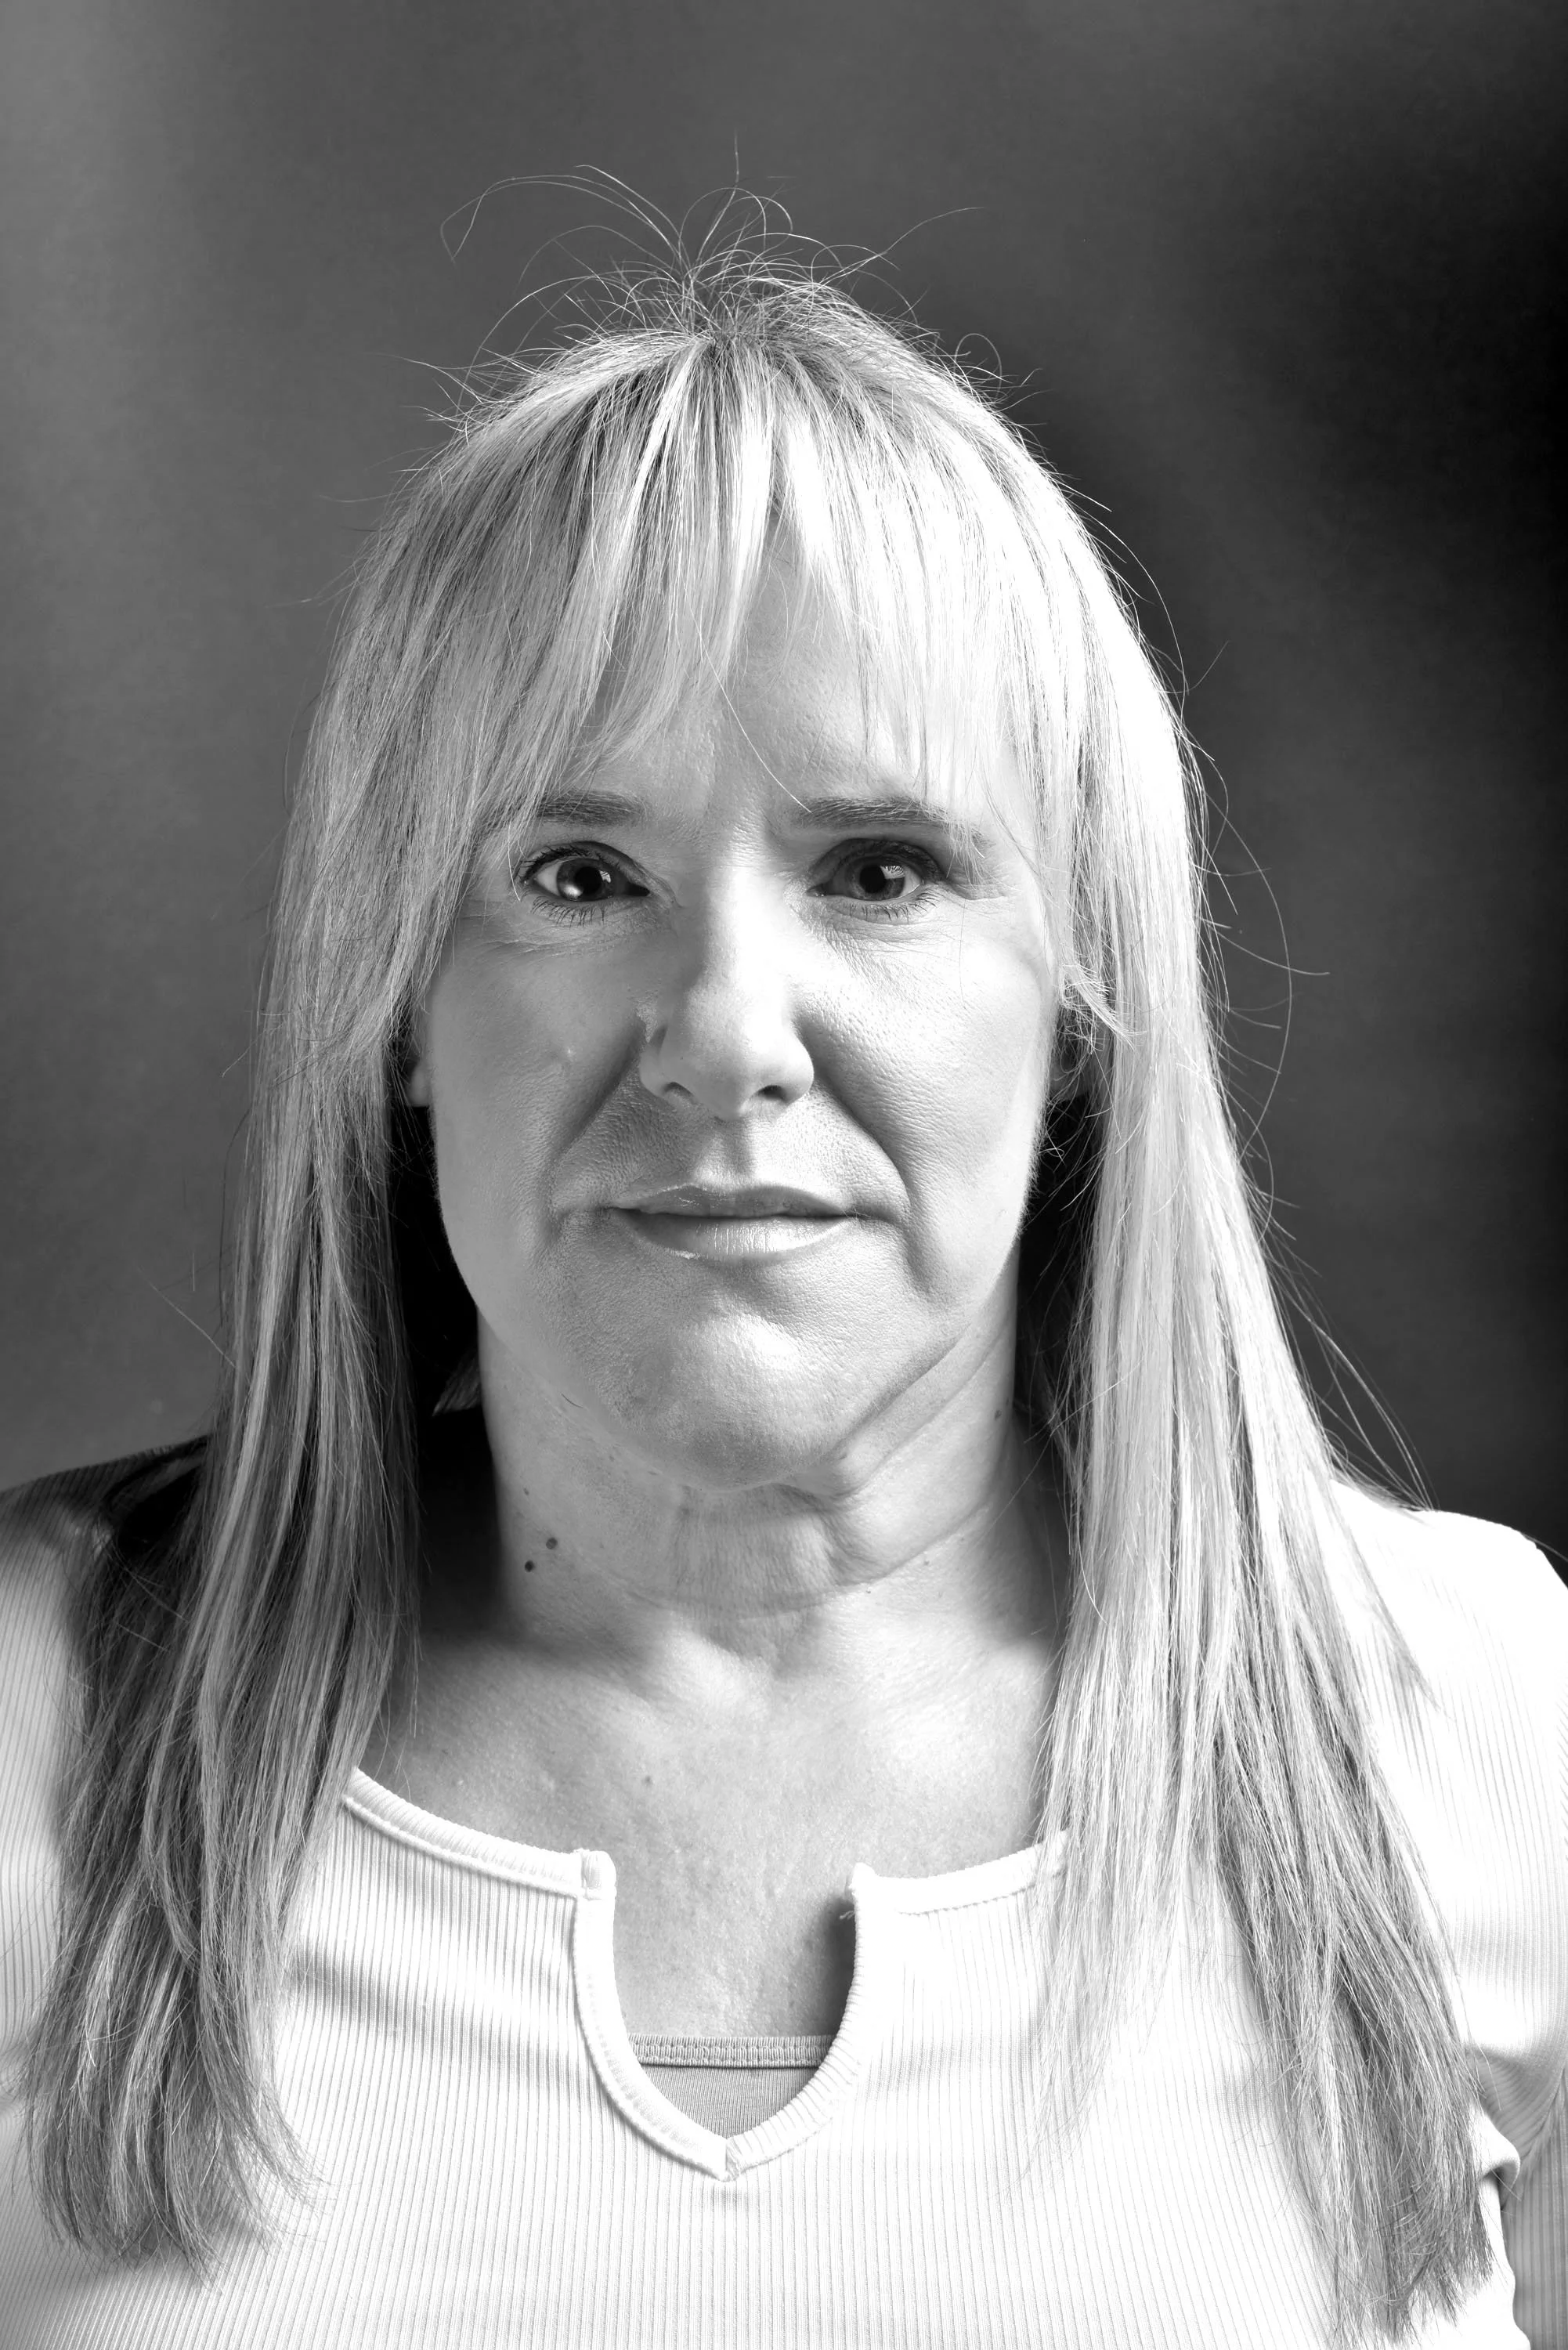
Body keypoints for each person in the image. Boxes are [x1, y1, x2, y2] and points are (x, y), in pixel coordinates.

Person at [1, 222, 1564, 2350]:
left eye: (880, 871)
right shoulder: (38, 1719)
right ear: (397, 1006)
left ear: (1083, 1010)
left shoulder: (1477, 1722)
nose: (729, 1031)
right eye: (579, 877)